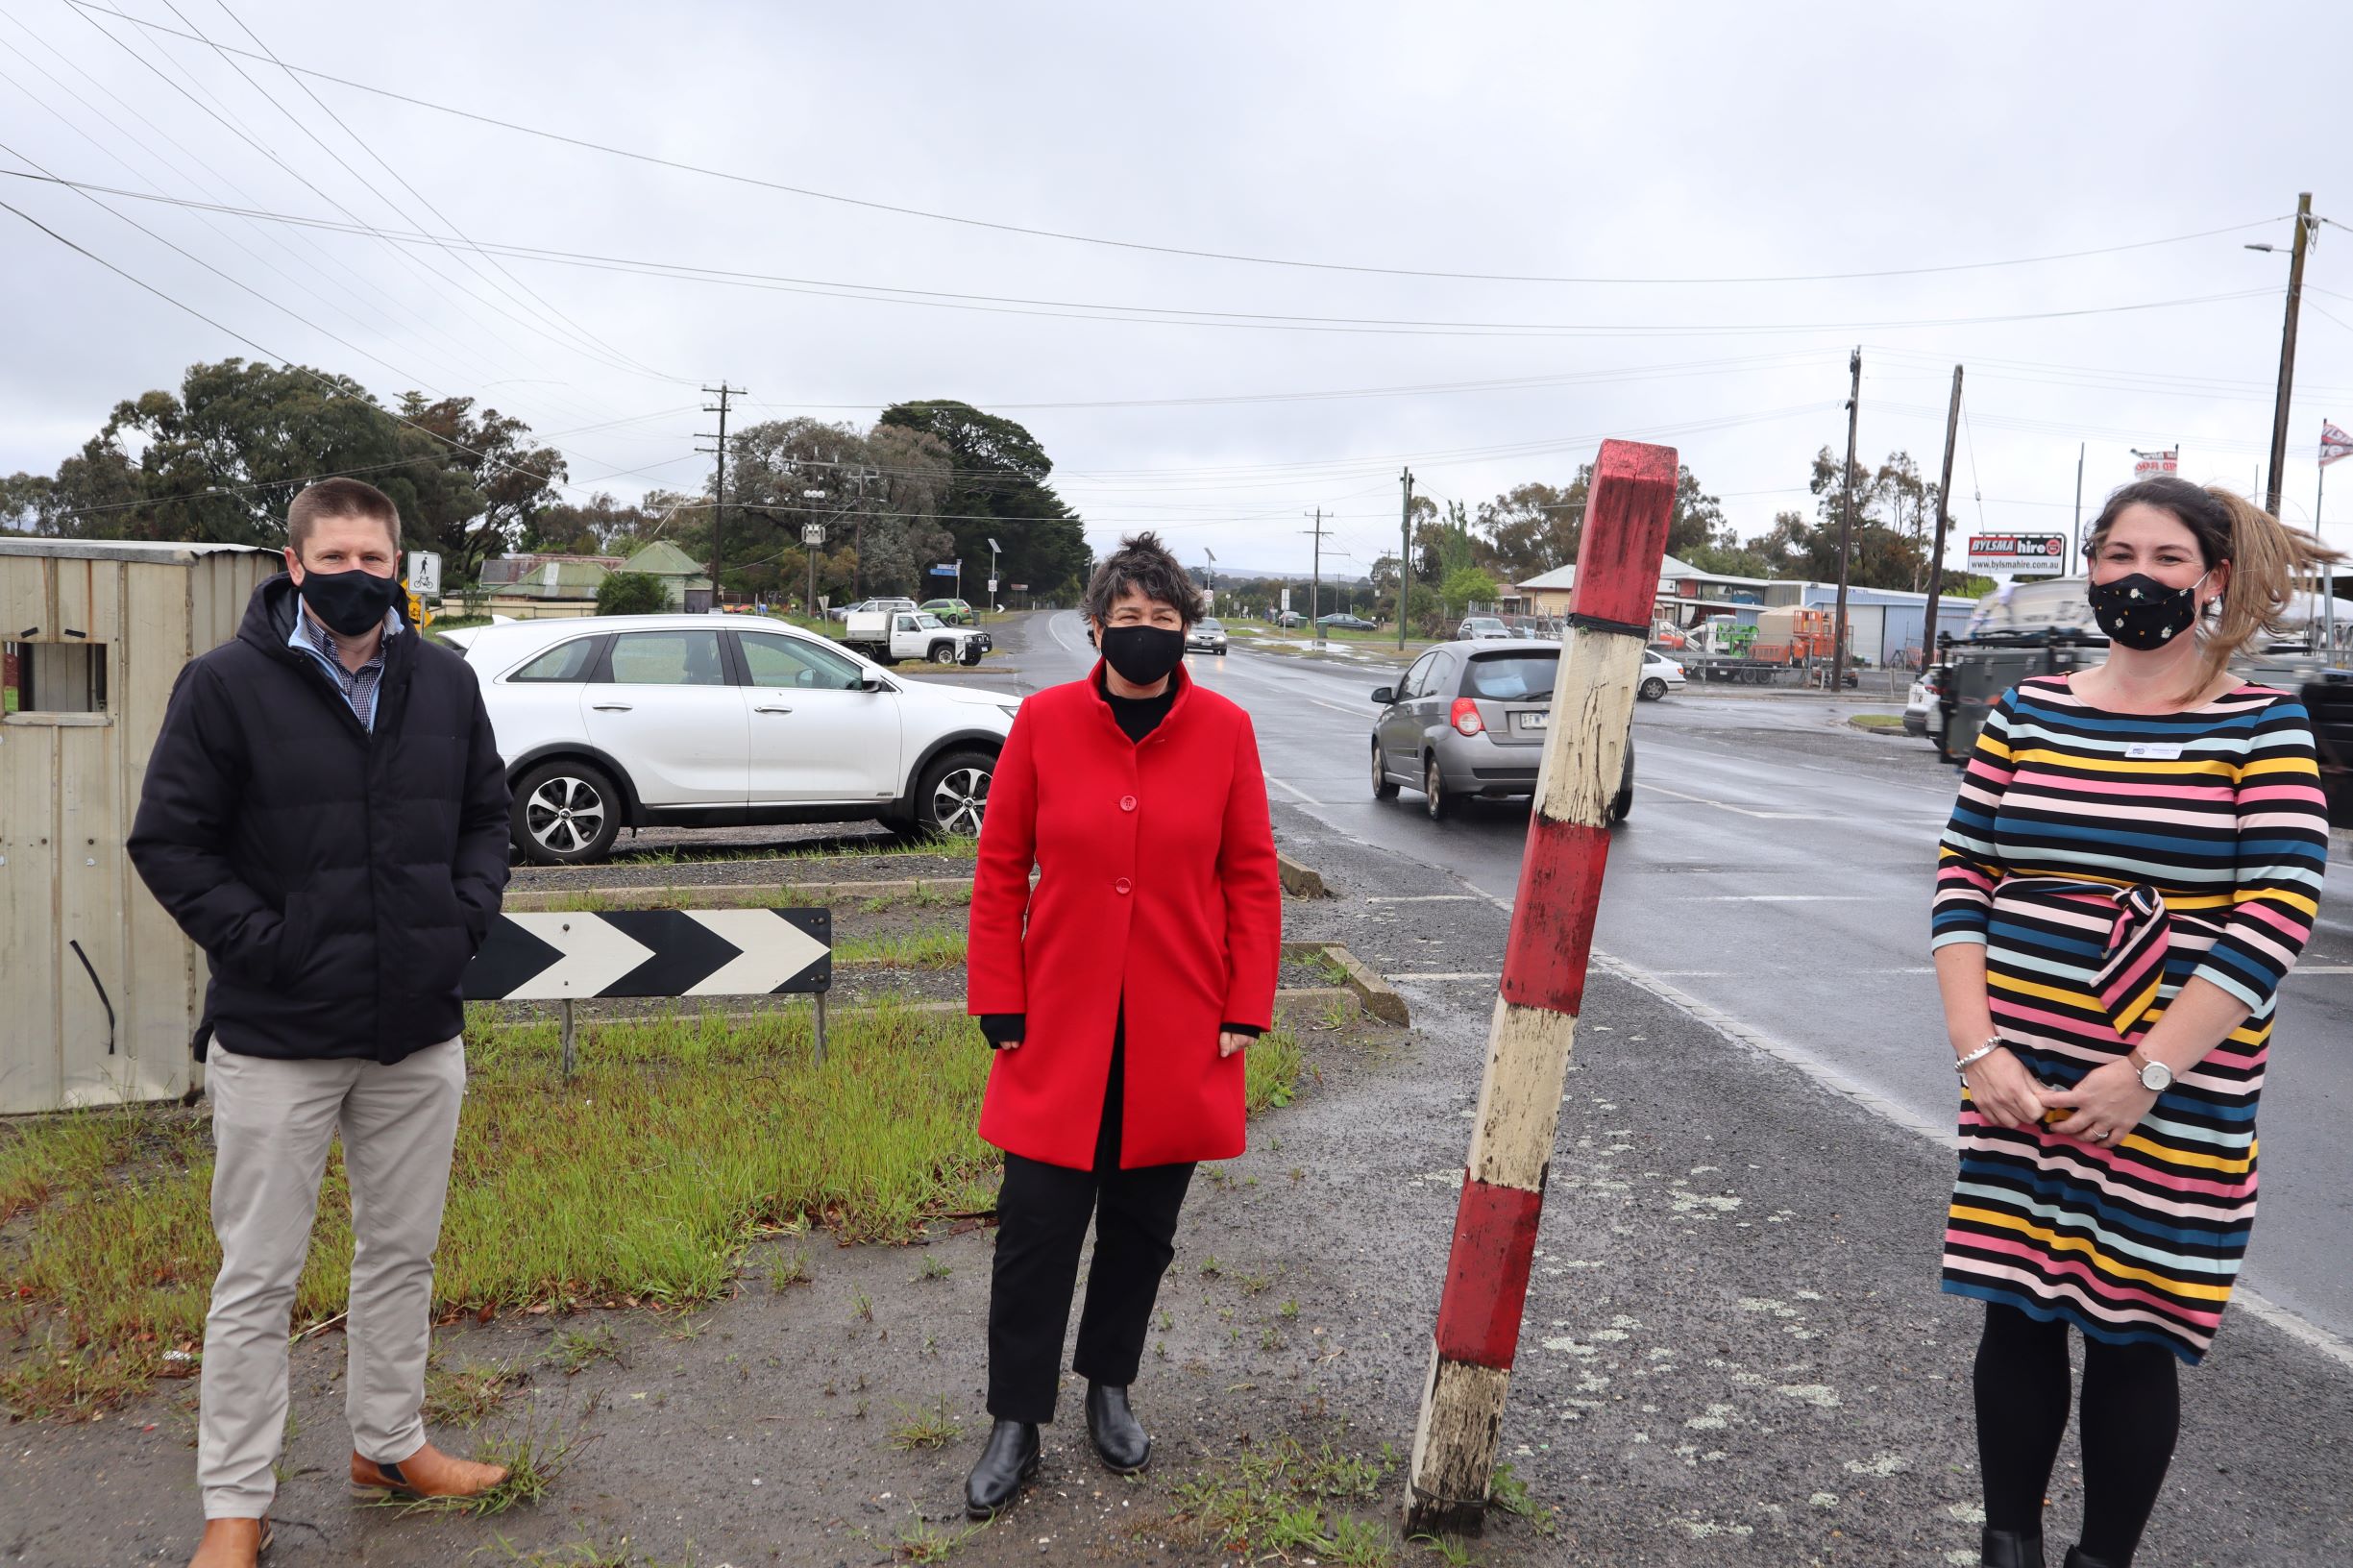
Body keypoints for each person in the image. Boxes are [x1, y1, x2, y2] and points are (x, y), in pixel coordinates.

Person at [1930, 477, 2334, 1568]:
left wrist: (2143, 1074)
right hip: (2016, 1074)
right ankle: (2004, 1549)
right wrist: (1979, 1054)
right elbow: (1964, 877)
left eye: (2163, 561)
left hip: (2172, 1097)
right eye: (2116, 556)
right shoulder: (2029, 708)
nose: (2136, 580)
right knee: (2014, 1314)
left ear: (2210, 581)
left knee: (2130, 1332)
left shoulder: (2263, 724)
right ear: (2091, 569)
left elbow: (2275, 914)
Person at [128, 478, 516, 1568]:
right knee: (257, 1279)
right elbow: (170, 843)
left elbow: (488, 815)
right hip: (277, 1038)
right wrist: (270, 945)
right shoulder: (224, 686)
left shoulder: (445, 680)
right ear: (293, 564)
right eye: (333, 558)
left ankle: (388, 1445)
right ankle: (237, 1506)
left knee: (402, 1255)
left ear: (401, 568)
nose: (355, 578)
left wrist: (463, 921)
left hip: (415, 1030)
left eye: (374, 561)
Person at [962, 531, 1282, 1518]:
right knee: (1035, 1231)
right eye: (1128, 620)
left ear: (1187, 629)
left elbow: (1252, 878)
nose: (1145, 634)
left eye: (1164, 619)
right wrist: (997, 990)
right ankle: (1016, 1418)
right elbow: (999, 866)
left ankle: (1110, 1386)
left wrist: (1245, 1005)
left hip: (1179, 1025)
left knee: (1142, 1231)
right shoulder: (1044, 723)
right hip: (1056, 1021)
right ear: (1097, 628)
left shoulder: (1225, 730)